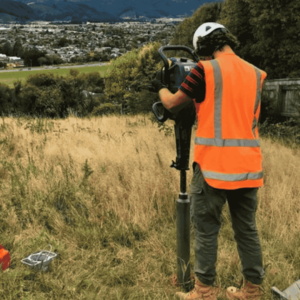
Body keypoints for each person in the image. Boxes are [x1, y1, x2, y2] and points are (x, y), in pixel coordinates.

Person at [152, 22, 267, 300]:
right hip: (248, 167)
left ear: (203, 46)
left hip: (213, 167)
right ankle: (252, 290)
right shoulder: (255, 73)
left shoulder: (205, 70)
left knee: (206, 230)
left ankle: (204, 291)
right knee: (247, 230)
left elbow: (173, 103)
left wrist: (159, 89)